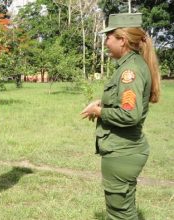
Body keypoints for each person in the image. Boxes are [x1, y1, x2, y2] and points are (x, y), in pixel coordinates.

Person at [81, 13, 160, 219]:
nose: (106, 42)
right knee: (124, 210)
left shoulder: (130, 71)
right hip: (125, 150)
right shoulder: (130, 65)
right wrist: (103, 103)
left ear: (122, 40)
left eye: (109, 37)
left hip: (122, 151)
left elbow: (130, 115)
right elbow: (123, 101)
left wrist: (99, 111)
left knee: (119, 214)